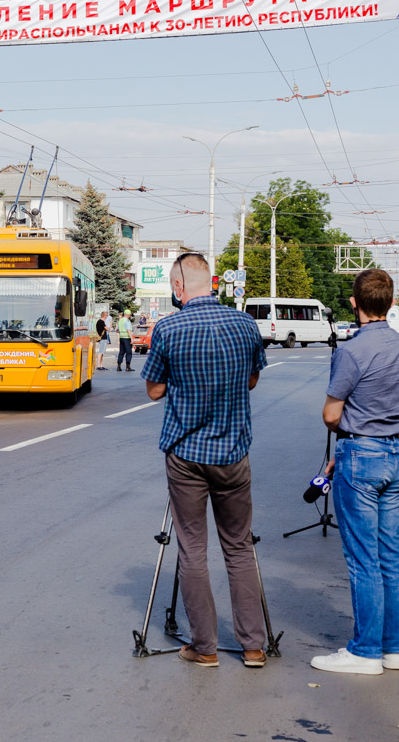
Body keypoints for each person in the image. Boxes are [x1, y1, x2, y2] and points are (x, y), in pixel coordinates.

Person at [141, 252, 268, 668]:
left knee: (192, 548)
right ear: (211, 281)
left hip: (186, 455)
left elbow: (154, 391)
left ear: (178, 287)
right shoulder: (245, 324)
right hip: (233, 452)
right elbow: (251, 379)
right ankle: (253, 647)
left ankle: (205, 647)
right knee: (239, 545)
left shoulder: (169, 328)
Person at [311, 269, 399, 676]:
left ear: (354, 303)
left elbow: (330, 414)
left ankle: (364, 651)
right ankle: (393, 649)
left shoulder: (352, 351)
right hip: (397, 455)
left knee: (362, 559)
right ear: (391, 304)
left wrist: (351, 440)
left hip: (361, 458)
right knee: (391, 555)